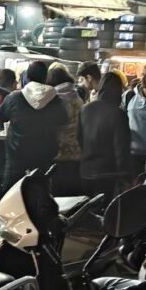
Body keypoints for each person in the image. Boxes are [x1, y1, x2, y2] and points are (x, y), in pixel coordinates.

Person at [0, 60, 67, 191]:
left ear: (27, 77)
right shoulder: (56, 101)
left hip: (17, 157)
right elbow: (63, 122)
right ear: (45, 78)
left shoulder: (13, 98)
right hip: (45, 157)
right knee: (41, 193)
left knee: (10, 194)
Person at [78, 73, 132, 200]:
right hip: (109, 174)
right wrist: (126, 176)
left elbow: (79, 139)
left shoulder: (85, 109)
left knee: (88, 208)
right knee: (106, 209)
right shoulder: (118, 113)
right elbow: (121, 148)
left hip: (86, 171)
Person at [47, 64, 83, 195]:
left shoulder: (53, 100)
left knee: (57, 194)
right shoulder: (78, 98)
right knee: (73, 194)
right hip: (77, 152)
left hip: (58, 152)